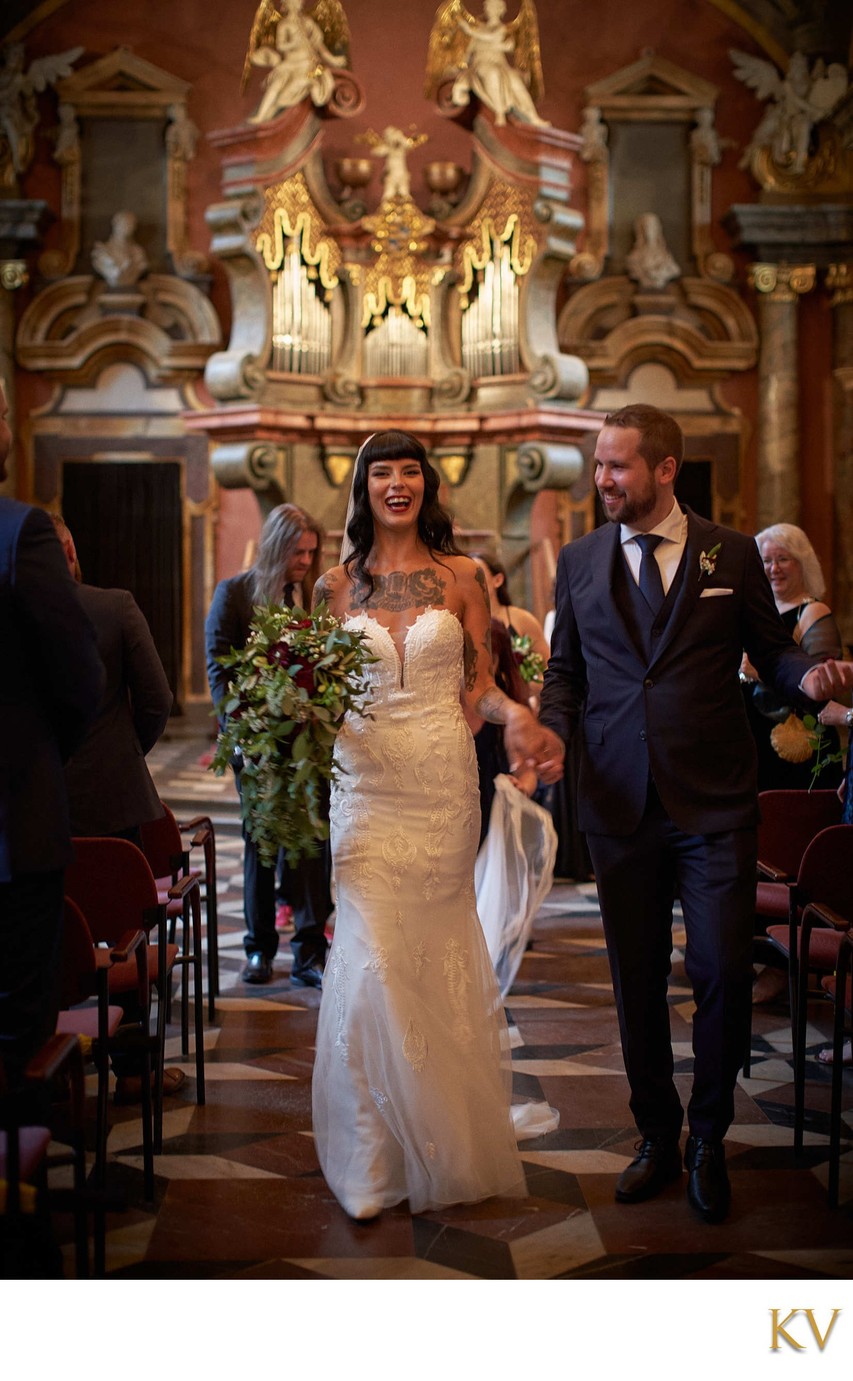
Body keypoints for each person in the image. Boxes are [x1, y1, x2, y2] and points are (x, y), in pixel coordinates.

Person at [538, 402, 853, 1224]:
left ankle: (709, 1137)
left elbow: (773, 651)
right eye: (598, 464)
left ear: (664, 468)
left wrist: (806, 680)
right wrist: (546, 733)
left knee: (716, 968)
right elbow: (565, 674)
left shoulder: (731, 551)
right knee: (635, 977)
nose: (602, 479)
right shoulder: (576, 562)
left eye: (616, 465)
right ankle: (654, 1134)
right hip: (617, 800)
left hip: (713, 800)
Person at [310, 429, 562, 1219]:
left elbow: (476, 686)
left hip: (440, 787)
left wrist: (515, 714)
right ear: (363, 486)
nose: (395, 484)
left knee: (429, 959)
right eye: (380, 472)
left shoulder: (463, 576)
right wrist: (278, 711)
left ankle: (440, 1135)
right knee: (371, 960)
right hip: (362, 789)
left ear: (427, 486)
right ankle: (371, 1158)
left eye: (408, 472)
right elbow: (317, 697)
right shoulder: (332, 588)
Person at [0, 383, 104, 1092]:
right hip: (11, 826)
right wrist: (43, 754)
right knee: (16, 1029)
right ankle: (20, 1181)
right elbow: (79, 679)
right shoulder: (20, 532)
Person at [206, 503, 331, 988]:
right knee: (262, 844)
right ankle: (259, 950)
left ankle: (309, 952)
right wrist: (241, 732)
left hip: (310, 744)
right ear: (277, 546)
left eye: (311, 552)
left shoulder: (315, 597)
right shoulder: (235, 594)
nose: (304, 560)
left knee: (313, 846)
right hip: (256, 742)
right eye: (298, 551)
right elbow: (219, 667)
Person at [51, 515, 172, 845]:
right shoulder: (116, 607)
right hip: (114, 797)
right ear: (70, 550)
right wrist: (124, 751)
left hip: (32, 802)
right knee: (119, 890)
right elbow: (158, 700)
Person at [740, 523, 844, 790]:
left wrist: (758, 672)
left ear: (802, 563)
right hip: (752, 742)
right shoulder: (754, 610)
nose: (774, 569)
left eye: (783, 559)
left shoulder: (812, 612)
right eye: (766, 561)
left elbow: (822, 689)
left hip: (800, 746)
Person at [469, 550, 550, 704]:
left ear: (498, 580)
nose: (471, 582)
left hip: (518, 703)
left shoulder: (522, 619)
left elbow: (548, 670)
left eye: (477, 574)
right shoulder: (461, 622)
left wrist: (521, 688)